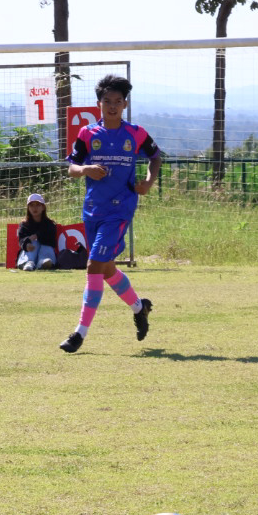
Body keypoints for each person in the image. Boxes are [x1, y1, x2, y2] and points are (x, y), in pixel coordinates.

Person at [59, 75, 161, 352]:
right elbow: (71, 168)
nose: (112, 106)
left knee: (93, 266)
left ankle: (79, 333)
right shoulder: (87, 133)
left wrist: (148, 182)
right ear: (99, 104)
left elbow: (155, 157)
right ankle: (140, 308)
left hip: (120, 210)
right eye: (107, 101)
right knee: (106, 269)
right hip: (93, 209)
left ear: (125, 104)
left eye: (118, 101)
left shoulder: (136, 133)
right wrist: (86, 170)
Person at [15, 193, 58, 271]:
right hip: (29, 253)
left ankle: (43, 262)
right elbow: (21, 240)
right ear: (28, 208)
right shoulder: (24, 225)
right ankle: (28, 262)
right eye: (31, 205)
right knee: (33, 243)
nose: (34, 208)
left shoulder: (50, 224)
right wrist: (27, 244)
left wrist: (37, 236)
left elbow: (50, 239)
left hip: (46, 250)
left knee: (45, 246)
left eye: (38, 205)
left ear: (43, 207)